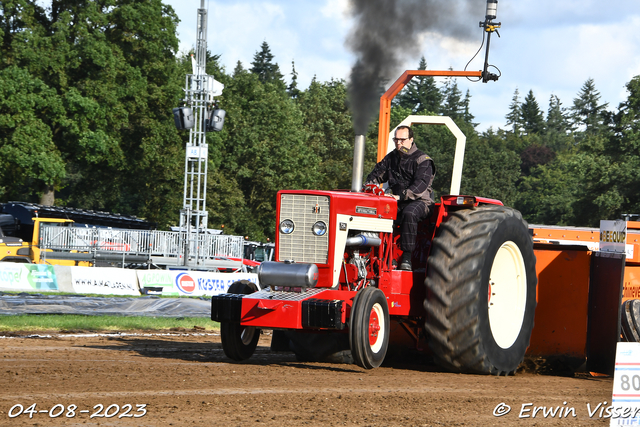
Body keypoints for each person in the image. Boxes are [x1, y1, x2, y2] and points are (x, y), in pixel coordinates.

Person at [364, 125, 435, 271]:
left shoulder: (423, 160)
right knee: (374, 211)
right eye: (396, 140)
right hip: (395, 200)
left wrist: (400, 196)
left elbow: (420, 186)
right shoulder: (391, 158)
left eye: (402, 140)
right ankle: (379, 256)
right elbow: (376, 175)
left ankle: (406, 258)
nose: (398, 143)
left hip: (421, 201)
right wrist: (368, 187)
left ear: (411, 140)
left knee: (409, 212)